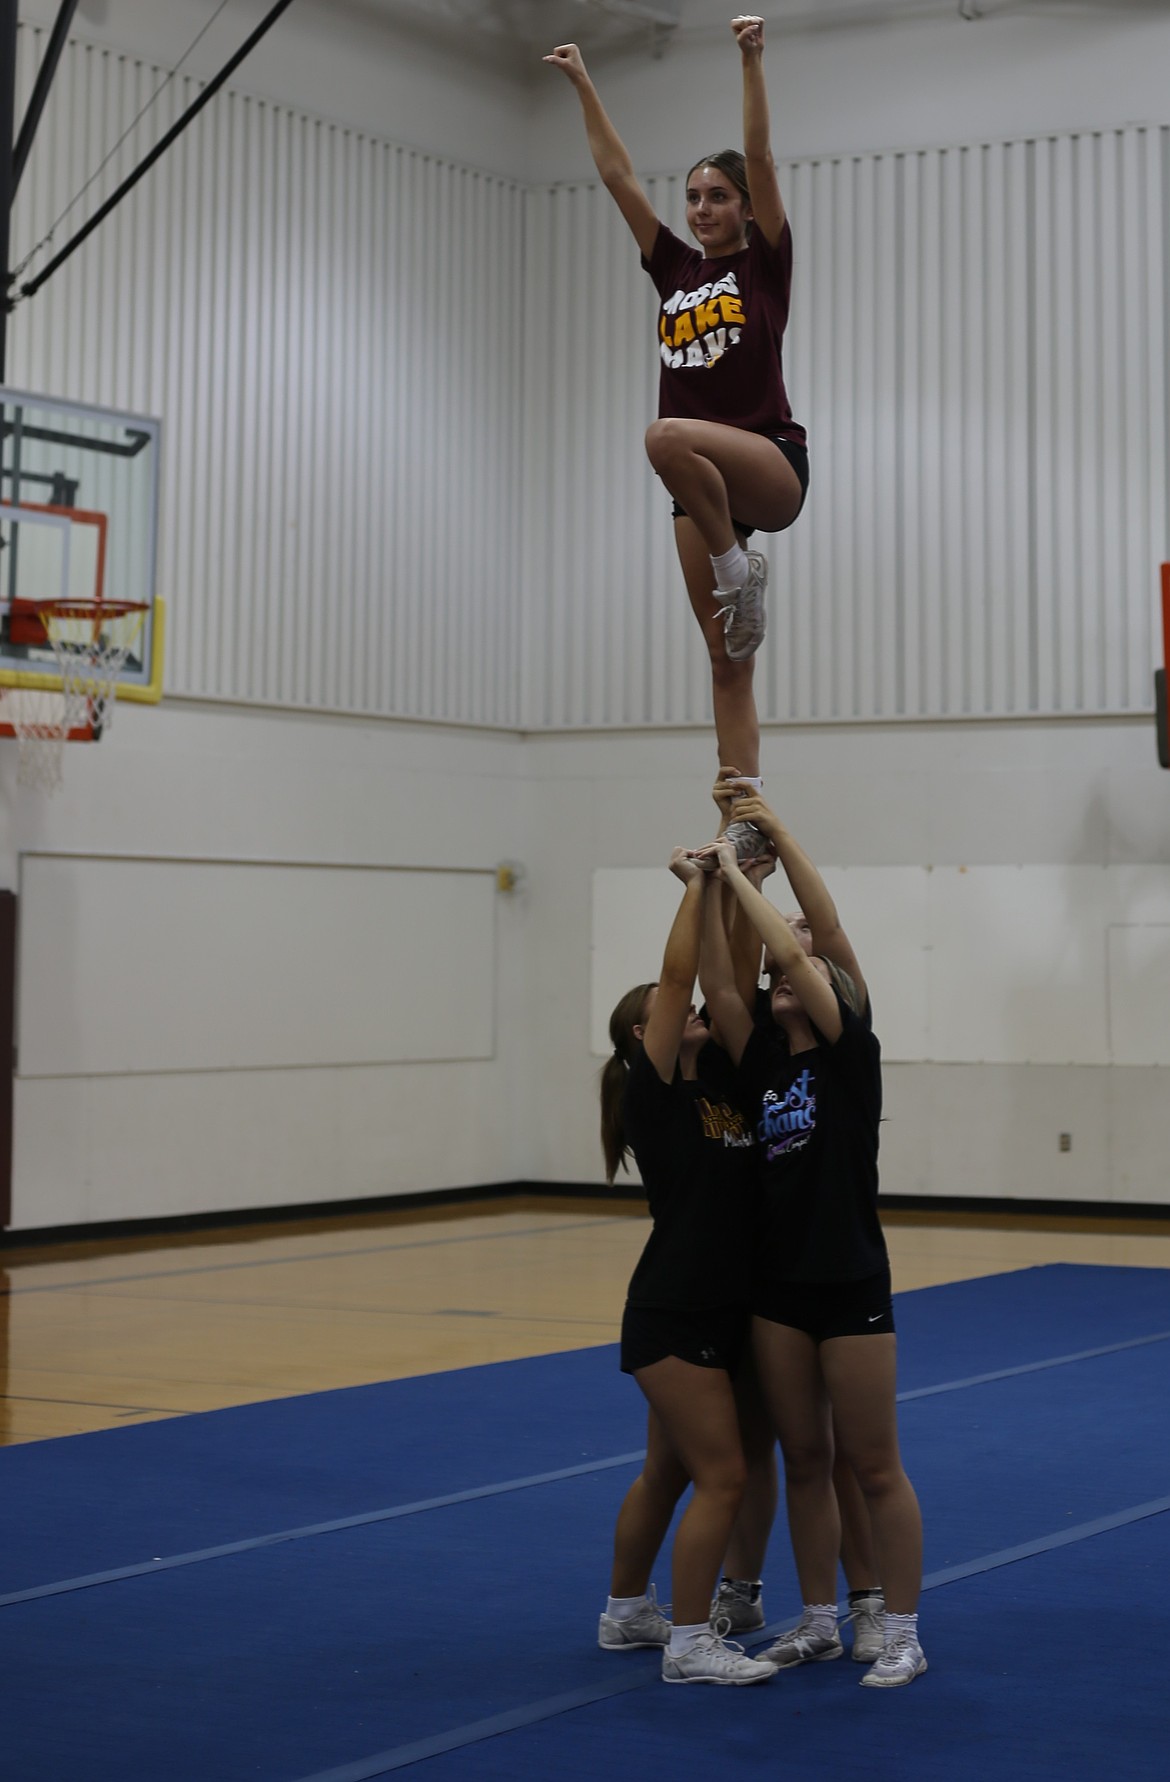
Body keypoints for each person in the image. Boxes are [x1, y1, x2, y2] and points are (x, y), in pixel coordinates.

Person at [697, 802, 927, 1688]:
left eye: (811, 977)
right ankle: (821, 1617)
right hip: (777, 1290)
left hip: (849, 1280)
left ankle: (902, 1627)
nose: (788, 977)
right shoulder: (766, 1062)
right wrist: (716, 885)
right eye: (787, 978)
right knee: (805, 1459)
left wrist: (771, 843)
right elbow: (725, 986)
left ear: (842, 998)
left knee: (873, 1462)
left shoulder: (847, 1053)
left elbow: (804, 946)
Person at [545, 16, 808, 783]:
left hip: (766, 461)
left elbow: (759, 152)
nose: (700, 208)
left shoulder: (766, 264)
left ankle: (739, 576)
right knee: (727, 662)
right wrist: (585, 85)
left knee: (663, 438)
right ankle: (745, 818)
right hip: (702, 494)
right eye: (693, 196)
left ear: (747, 208)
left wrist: (751, 59)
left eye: (719, 196)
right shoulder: (675, 271)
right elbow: (619, 178)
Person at [597, 851, 775, 1686]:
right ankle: (692, 1643)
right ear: (645, 1038)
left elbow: (726, 976)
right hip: (674, 1310)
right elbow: (677, 983)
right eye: (671, 1013)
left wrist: (748, 885)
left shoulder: (723, 1089)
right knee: (724, 1476)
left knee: (667, 1473)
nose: (692, 1007)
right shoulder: (656, 1089)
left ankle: (627, 1612)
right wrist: (698, 887)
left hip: (718, 1305)